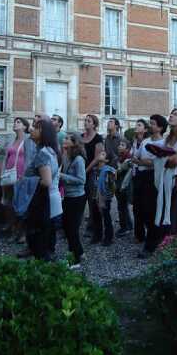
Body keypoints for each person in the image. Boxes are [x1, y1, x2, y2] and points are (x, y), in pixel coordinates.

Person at [22, 117, 62, 260]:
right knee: (43, 235)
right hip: (45, 199)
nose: (31, 130)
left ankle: (42, 265)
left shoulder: (43, 153)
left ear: (44, 133)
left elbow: (46, 181)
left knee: (39, 237)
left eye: (36, 128)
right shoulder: (48, 150)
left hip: (41, 200)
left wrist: (25, 182)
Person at [135, 114, 168, 258]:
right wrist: (144, 162)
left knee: (151, 211)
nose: (150, 126)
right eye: (150, 123)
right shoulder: (145, 141)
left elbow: (154, 163)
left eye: (153, 123)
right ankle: (154, 237)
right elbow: (136, 157)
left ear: (160, 127)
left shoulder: (164, 143)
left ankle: (151, 244)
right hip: (141, 177)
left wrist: (143, 162)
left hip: (154, 179)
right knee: (140, 210)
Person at [0, 117, 36, 239]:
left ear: (25, 126)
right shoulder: (11, 140)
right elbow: (6, 157)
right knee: (7, 202)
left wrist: (26, 174)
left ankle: (21, 231)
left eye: (19, 122)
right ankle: (12, 226)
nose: (15, 124)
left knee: (20, 203)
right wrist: (3, 172)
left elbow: (30, 158)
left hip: (21, 175)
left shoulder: (29, 140)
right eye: (15, 122)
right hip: (9, 175)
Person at [60, 133, 87, 269]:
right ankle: (79, 252)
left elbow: (82, 180)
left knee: (72, 229)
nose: (63, 140)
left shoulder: (78, 160)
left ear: (74, 143)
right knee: (66, 227)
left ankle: (75, 259)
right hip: (68, 196)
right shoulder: (65, 156)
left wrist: (62, 176)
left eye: (66, 139)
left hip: (77, 198)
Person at [82, 114, 105, 244]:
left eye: (88, 121)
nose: (86, 122)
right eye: (85, 120)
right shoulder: (81, 137)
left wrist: (86, 170)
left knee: (92, 201)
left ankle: (92, 227)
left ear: (94, 124)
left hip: (91, 173)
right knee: (80, 199)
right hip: (81, 172)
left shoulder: (98, 138)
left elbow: (97, 159)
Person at [128, 119, 150, 240]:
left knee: (145, 205)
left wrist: (136, 160)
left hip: (144, 176)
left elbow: (144, 160)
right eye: (136, 124)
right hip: (135, 175)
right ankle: (139, 234)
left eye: (139, 125)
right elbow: (132, 156)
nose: (136, 126)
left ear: (145, 129)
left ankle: (148, 230)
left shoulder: (148, 142)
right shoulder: (135, 141)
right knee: (136, 206)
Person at [96, 150, 116, 246]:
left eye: (103, 154)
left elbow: (110, 186)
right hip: (99, 197)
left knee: (106, 217)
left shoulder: (107, 171)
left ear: (106, 160)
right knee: (102, 217)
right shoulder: (98, 169)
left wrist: (104, 199)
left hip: (105, 198)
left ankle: (109, 238)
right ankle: (103, 236)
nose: (100, 154)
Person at [115, 137, 134, 238]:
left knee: (122, 207)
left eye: (122, 145)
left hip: (124, 187)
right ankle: (128, 225)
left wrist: (120, 168)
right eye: (119, 145)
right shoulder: (119, 158)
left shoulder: (129, 160)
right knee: (121, 207)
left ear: (127, 149)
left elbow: (129, 172)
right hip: (118, 186)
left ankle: (125, 227)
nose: (119, 146)